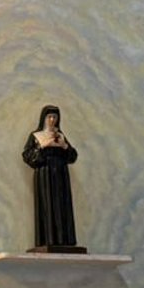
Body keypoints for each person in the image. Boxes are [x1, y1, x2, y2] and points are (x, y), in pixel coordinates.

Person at [22, 105, 82, 251]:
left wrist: (65, 146)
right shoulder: (36, 136)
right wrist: (43, 146)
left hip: (61, 174)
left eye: (55, 117)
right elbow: (27, 156)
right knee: (47, 204)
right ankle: (47, 239)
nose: (52, 120)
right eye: (49, 116)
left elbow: (72, 157)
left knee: (62, 204)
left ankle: (64, 240)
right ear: (44, 118)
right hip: (45, 174)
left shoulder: (61, 136)